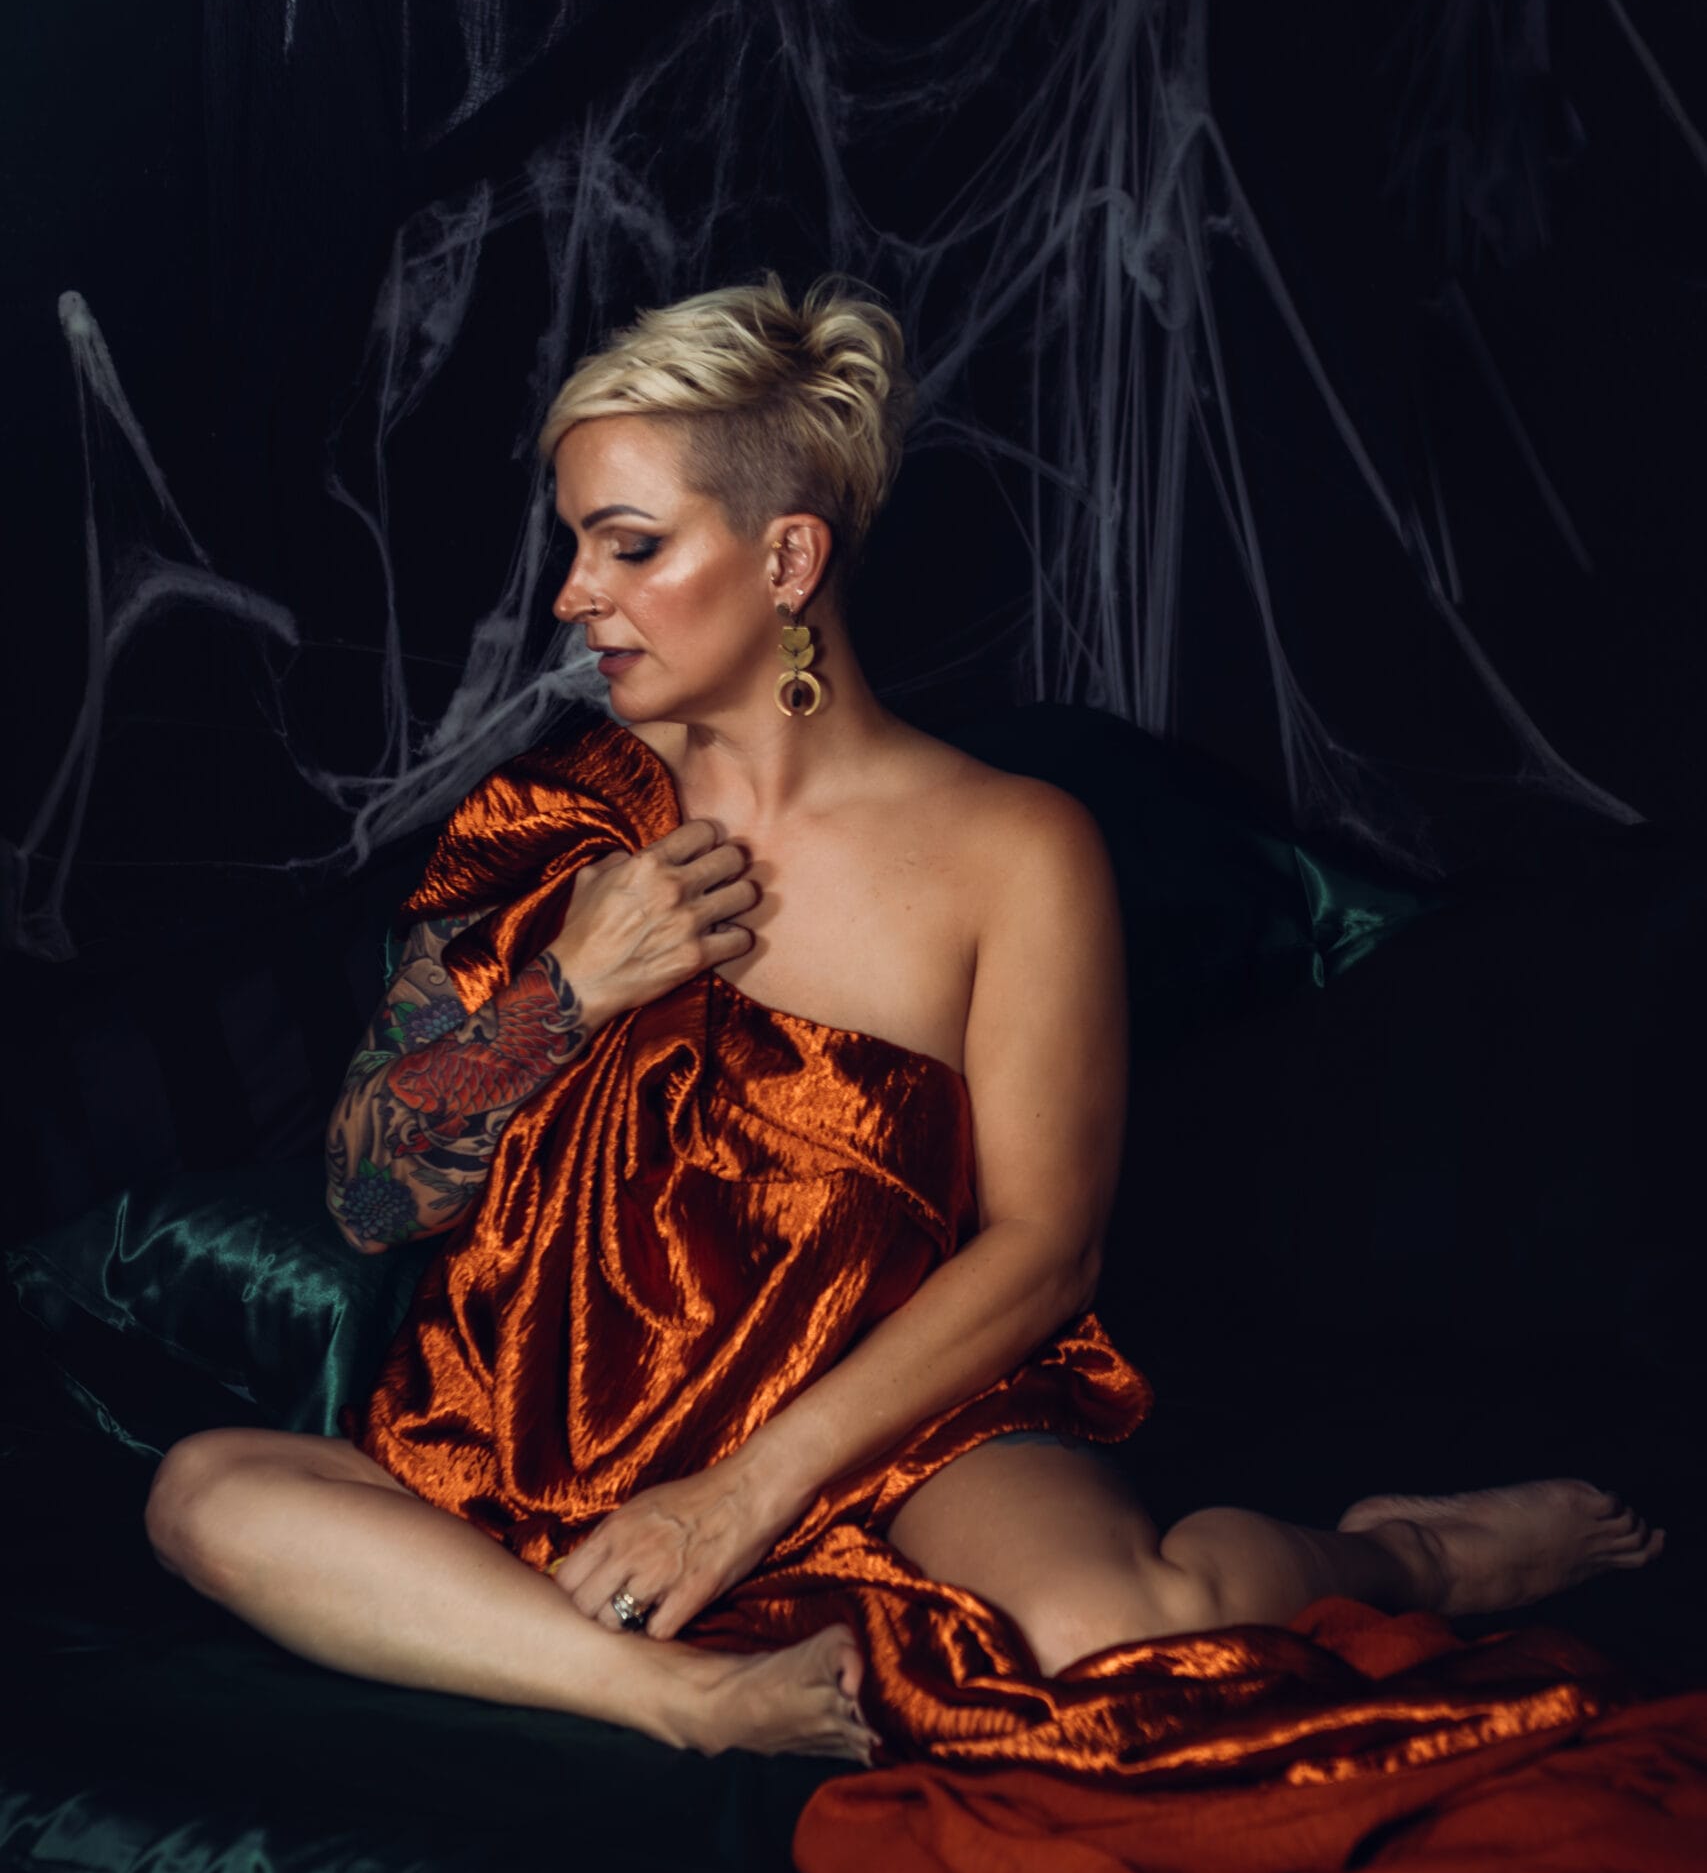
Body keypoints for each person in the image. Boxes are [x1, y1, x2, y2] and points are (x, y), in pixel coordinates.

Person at [145, 272, 1665, 1781]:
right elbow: (368, 1193)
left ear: (786, 556)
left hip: (876, 1413)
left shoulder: (1016, 850)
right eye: (576, 546)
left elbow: (1047, 1249)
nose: (572, 597)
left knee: (1112, 1635)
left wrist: (735, 1500)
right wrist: (572, 992)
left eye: (629, 545)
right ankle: (668, 1695)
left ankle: (1406, 1554)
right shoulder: (550, 824)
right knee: (204, 1495)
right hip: (537, 1416)